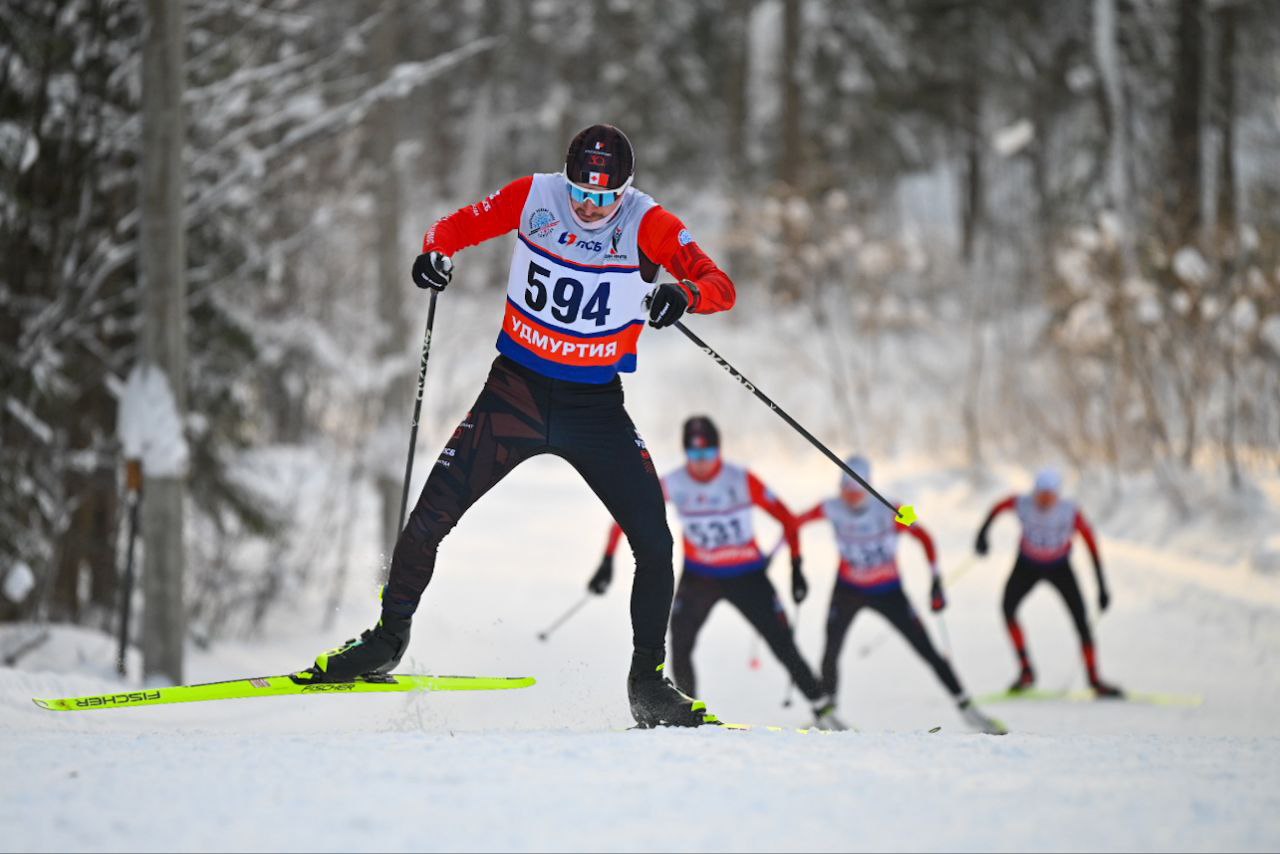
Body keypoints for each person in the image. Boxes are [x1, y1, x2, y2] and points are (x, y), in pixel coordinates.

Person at [309, 124, 737, 728]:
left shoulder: (650, 223)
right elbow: (451, 229)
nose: (590, 208)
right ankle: (387, 638)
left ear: (626, 191)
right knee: (430, 514)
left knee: (655, 541)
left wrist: (684, 295)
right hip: (514, 394)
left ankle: (647, 683)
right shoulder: (534, 197)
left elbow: (722, 286)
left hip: (595, 410)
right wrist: (433, 255)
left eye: (605, 198)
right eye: (581, 194)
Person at [587, 415, 838, 727]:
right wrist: (607, 561)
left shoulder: (740, 479)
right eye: (694, 455)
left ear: (718, 452)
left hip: (746, 574)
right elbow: (629, 515)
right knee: (679, 641)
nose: (701, 464)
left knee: (781, 642)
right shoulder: (675, 482)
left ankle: (822, 707)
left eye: (707, 455)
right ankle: (684, 711)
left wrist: (796, 567)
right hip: (700, 576)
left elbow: (787, 519)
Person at [798, 456, 1004, 733]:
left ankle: (967, 708)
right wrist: (789, 559)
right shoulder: (830, 507)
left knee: (926, 648)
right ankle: (827, 712)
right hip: (848, 589)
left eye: (856, 490)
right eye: (845, 489)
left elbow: (925, 537)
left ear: (868, 486)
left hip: (888, 590)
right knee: (831, 648)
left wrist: (935, 580)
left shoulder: (892, 508)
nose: (849, 497)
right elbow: (793, 522)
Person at [974, 467, 1121, 697]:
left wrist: (1102, 586)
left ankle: (1094, 679)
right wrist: (982, 536)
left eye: (1050, 495)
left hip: (1059, 567)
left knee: (1081, 621)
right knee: (1008, 609)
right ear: (1035, 492)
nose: (1044, 500)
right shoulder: (1022, 503)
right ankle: (1026, 672)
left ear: (1058, 494)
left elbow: (1091, 546)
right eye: (1041, 494)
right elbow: (996, 509)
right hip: (1027, 565)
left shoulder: (1069, 511)